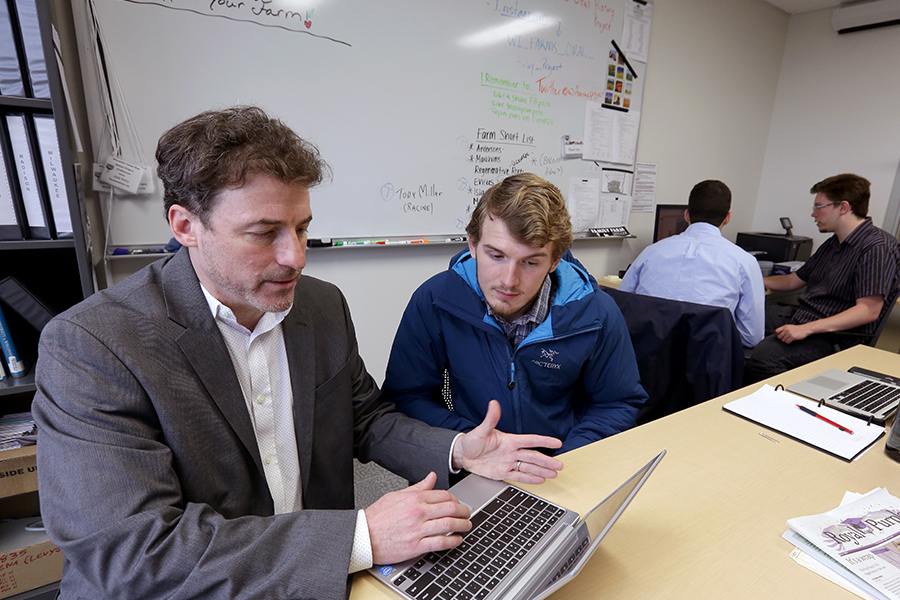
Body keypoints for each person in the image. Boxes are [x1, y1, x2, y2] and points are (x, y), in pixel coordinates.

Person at [31, 106, 564, 600]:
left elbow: (366, 418)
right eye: (264, 234)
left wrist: (457, 452)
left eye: (303, 228)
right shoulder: (91, 346)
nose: (295, 257)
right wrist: (360, 537)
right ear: (185, 226)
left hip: (314, 580)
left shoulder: (320, 307)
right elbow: (133, 555)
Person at [381, 173, 646, 455]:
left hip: (560, 465)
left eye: (530, 262)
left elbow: (618, 403)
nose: (509, 280)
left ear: (555, 260)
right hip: (471, 458)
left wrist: (566, 461)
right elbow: (407, 395)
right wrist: (469, 445)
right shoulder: (435, 301)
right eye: (496, 256)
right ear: (472, 245)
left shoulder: (596, 313)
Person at [744, 173, 900, 382]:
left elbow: (868, 311)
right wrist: (748, 278)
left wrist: (804, 329)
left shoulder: (877, 247)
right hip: (806, 318)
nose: (813, 214)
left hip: (835, 336)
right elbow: (794, 280)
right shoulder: (833, 242)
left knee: (764, 358)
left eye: (819, 207)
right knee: (737, 318)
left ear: (843, 207)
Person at [618, 180, 765, 347]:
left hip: (646, 359)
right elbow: (752, 337)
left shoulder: (651, 252)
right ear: (728, 218)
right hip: (707, 365)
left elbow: (622, 308)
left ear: (686, 214)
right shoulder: (745, 262)